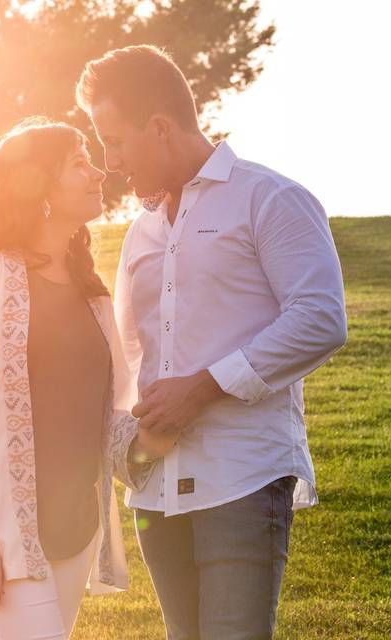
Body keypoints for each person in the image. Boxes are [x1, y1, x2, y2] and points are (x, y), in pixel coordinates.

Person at [75, 45, 349, 639]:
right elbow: (129, 358)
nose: (110, 161)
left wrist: (202, 388)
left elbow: (321, 318)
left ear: (160, 128)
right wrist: (130, 451)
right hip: (158, 492)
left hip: (242, 479)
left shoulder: (270, 198)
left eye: (115, 140)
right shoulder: (141, 233)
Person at [0, 116, 174, 640]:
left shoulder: (91, 292)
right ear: (36, 185)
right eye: (78, 163)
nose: (98, 172)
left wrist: (162, 431)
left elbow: (104, 414)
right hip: (5, 539)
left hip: (74, 531)